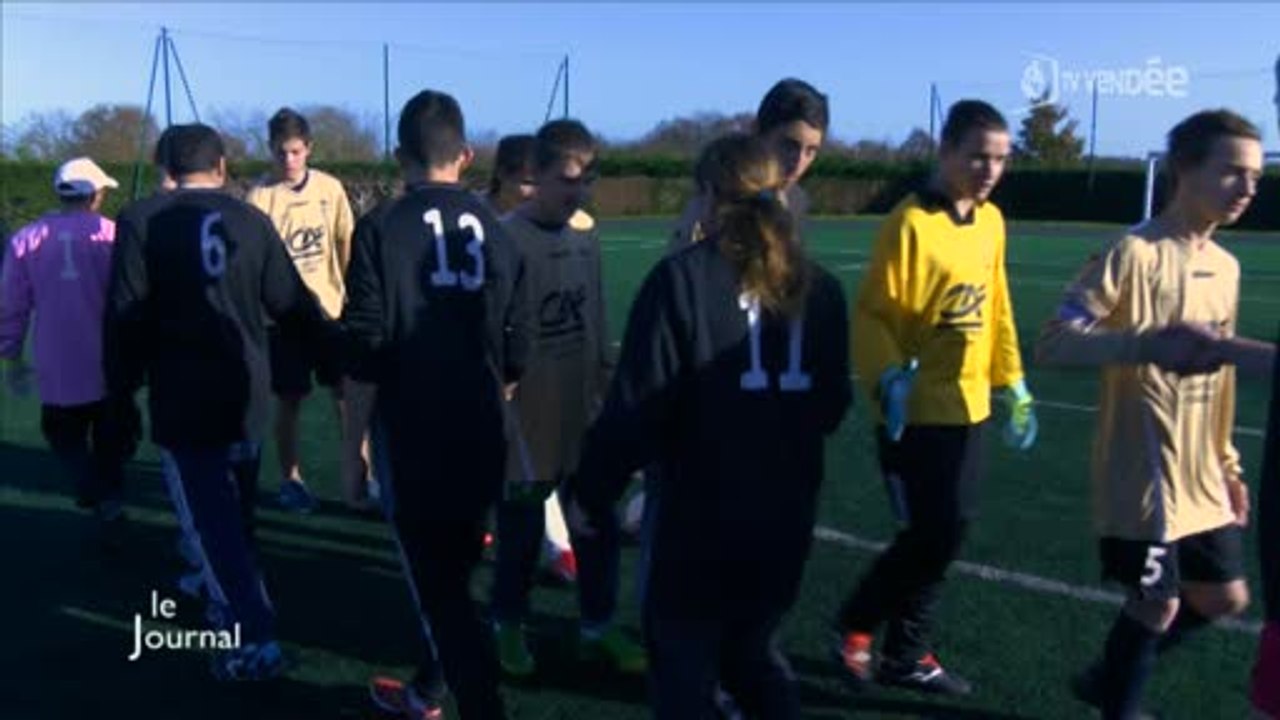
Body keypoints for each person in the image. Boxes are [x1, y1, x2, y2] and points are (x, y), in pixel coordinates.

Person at [568, 132, 850, 717]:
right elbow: (831, 408)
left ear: (707, 196)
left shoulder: (682, 280)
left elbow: (635, 408)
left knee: (685, 669)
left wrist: (591, 496)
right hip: (785, 519)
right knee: (754, 657)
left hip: (700, 521)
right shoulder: (822, 290)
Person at [1036, 109, 1265, 720]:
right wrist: (1141, 343)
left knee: (1224, 597)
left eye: (1254, 177)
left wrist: (1229, 464)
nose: (1247, 187)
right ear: (1185, 170)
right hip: (1145, 480)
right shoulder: (1130, 252)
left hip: (1203, 476)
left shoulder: (1227, 267)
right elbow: (1055, 341)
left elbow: (1219, 380)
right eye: (1232, 172)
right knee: (1157, 604)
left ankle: (1108, 677)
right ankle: (1119, 705)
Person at [104, 123, 334, 680]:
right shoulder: (251, 220)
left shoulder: (140, 220)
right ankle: (229, 592)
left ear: (165, 170)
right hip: (246, 389)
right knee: (235, 512)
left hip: (185, 398)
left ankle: (252, 637)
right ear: (224, 167)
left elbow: (125, 317)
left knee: (210, 522)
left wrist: (119, 396)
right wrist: (337, 365)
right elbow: (294, 306)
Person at [833, 99, 1036, 696]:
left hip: (969, 407)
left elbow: (997, 306)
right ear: (945, 152)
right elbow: (874, 312)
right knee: (929, 535)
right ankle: (856, 626)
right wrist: (888, 377)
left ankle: (906, 655)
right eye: (977, 155)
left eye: (1000, 158)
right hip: (913, 413)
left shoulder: (994, 222)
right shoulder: (910, 221)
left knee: (948, 534)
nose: (989, 168)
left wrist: (1013, 382)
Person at [347, 89, 530, 720]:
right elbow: (518, 349)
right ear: (467, 155)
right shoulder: (499, 233)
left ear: (400, 157)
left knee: (442, 592)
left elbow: (366, 351)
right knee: (453, 579)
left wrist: (354, 453)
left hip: (415, 434)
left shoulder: (379, 228)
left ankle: (475, 704)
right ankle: (429, 687)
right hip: (481, 426)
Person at [488, 119, 647, 679]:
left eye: (585, 181)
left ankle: (596, 628)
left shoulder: (586, 232)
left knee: (596, 522)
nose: (577, 192)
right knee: (523, 532)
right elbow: (492, 335)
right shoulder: (505, 237)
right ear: (534, 175)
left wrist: (607, 392)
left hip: (583, 412)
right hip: (527, 417)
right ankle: (506, 625)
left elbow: (598, 318)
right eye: (565, 181)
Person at [0, 157, 137, 549]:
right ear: (94, 195)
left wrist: (10, 356)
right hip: (109, 362)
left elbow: (11, 306)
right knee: (114, 435)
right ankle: (105, 494)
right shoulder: (113, 235)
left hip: (57, 364)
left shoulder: (27, 237)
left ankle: (90, 486)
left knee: (64, 434)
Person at [246, 107, 363, 512]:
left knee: (348, 396)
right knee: (290, 400)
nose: (289, 161)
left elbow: (345, 243)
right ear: (270, 150)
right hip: (284, 322)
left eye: (296, 151)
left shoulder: (330, 189)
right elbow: (256, 262)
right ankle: (291, 478)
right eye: (281, 152)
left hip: (330, 314)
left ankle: (361, 474)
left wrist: (348, 296)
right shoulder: (259, 198)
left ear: (309, 148)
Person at [485, 132, 579, 580]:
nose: (532, 191)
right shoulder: (479, 223)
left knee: (532, 458)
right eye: (524, 181)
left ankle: (558, 545)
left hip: (538, 362)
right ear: (501, 177)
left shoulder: (554, 228)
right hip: (488, 361)